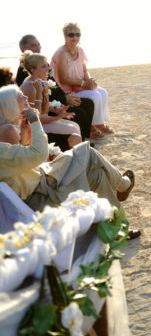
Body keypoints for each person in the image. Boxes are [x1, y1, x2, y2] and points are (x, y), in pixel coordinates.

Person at [0, 85, 140, 239]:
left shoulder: (8, 131)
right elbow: (39, 154)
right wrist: (35, 120)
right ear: (10, 104)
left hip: (44, 184)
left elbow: (25, 160)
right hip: (42, 195)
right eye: (21, 96)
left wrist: (28, 130)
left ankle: (118, 230)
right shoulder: (7, 132)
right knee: (87, 151)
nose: (26, 98)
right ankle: (123, 185)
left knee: (97, 175)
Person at [16, 34, 95, 143]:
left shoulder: (40, 75)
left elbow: (54, 87)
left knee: (86, 105)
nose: (48, 69)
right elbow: (37, 117)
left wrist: (64, 99)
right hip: (35, 122)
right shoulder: (28, 80)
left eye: (39, 44)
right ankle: (76, 143)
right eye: (34, 45)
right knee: (77, 116)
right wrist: (60, 110)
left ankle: (82, 141)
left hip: (47, 109)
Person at [51, 23, 113, 139]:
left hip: (79, 86)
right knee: (95, 96)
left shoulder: (80, 50)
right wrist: (84, 83)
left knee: (103, 92)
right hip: (66, 90)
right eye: (71, 35)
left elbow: (85, 70)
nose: (74, 37)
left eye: (77, 34)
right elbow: (63, 79)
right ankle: (91, 127)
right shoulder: (61, 53)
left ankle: (100, 123)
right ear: (65, 36)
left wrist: (89, 80)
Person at [19, 51, 82, 149]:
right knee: (72, 130)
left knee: (75, 126)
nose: (48, 68)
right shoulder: (30, 87)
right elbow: (37, 119)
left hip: (41, 120)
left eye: (47, 65)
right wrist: (60, 116)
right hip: (32, 127)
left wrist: (54, 109)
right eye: (43, 66)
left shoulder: (39, 80)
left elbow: (44, 110)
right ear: (32, 70)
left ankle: (74, 155)